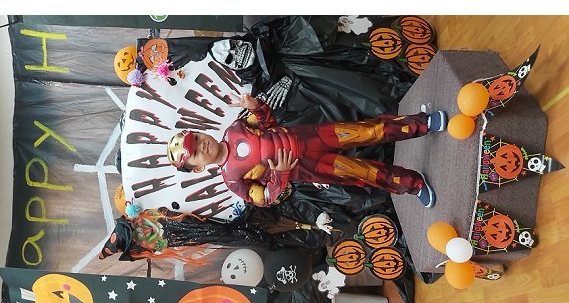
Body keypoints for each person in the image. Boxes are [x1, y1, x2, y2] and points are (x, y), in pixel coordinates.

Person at [167, 93, 447, 209]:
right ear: (198, 167)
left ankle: (422, 123)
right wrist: (280, 175)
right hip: (310, 168)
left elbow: (268, 122)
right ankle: (413, 184)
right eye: (195, 152)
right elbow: (264, 198)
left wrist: (256, 106)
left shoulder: (235, 128)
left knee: (368, 131)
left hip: (314, 136)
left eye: (197, 138)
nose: (201, 145)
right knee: (364, 173)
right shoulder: (232, 179)